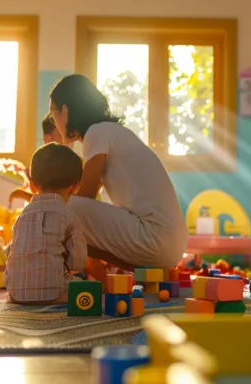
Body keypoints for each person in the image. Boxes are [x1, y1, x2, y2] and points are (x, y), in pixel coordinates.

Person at [47, 74, 187, 281]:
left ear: (65, 111)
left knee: (62, 207)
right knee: (67, 210)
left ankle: (73, 271)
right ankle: (98, 271)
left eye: (53, 115)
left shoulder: (97, 132)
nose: (54, 122)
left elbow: (86, 194)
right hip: (171, 244)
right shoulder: (111, 131)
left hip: (156, 238)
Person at [4, 143, 88, 304]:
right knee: (87, 289)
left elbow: (10, 251)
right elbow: (78, 262)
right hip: (55, 294)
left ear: (32, 183)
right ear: (75, 186)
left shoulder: (22, 215)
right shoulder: (69, 217)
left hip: (16, 294)